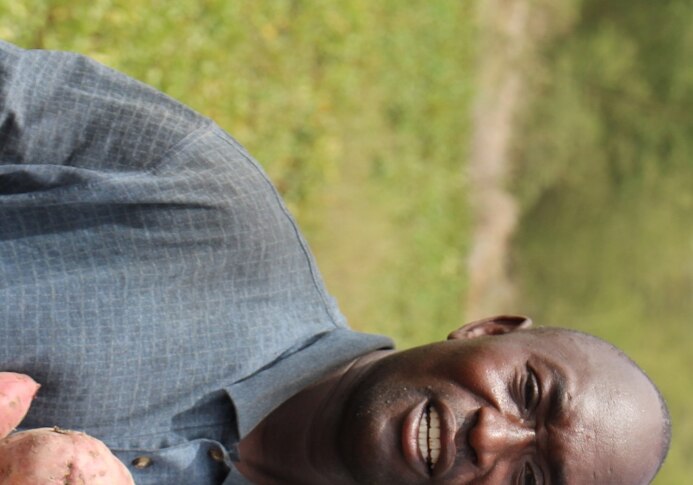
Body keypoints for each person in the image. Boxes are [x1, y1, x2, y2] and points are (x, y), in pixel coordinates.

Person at [0, 40, 670, 484]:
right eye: (526, 391)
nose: (491, 436)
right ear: (487, 330)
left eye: (528, 479)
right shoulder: (199, 199)